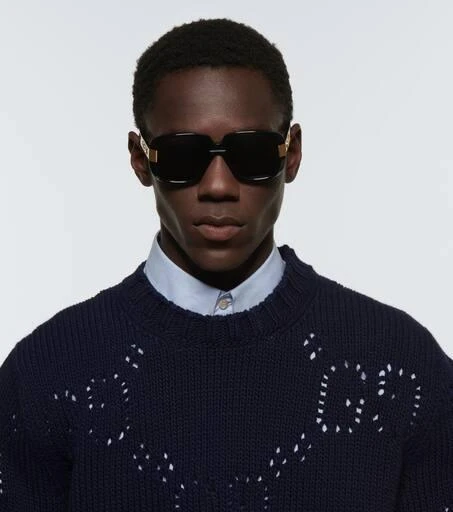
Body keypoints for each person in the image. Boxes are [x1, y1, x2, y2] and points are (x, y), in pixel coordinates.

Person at [0, 18, 451, 512]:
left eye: (251, 153)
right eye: (183, 155)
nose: (218, 185)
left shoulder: (403, 368)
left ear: (292, 155)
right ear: (140, 160)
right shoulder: (45, 376)